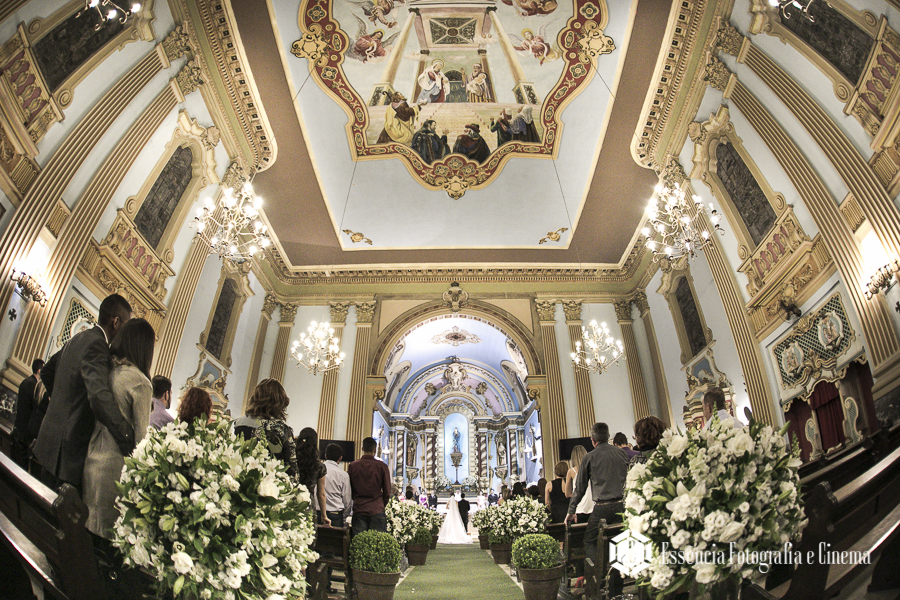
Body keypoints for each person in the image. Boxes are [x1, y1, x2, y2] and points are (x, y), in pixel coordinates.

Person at [34, 294, 134, 490]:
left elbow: (47, 371)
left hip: (48, 440)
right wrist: (127, 436)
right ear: (116, 322)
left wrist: (64, 401)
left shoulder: (80, 337)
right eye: (126, 325)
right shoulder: (98, 345)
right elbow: (99, 396)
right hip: (66, 451)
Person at [82, 318, 155, 539]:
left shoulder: (112, 371)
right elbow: (141, 442)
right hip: (115, 468)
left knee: (86, 529)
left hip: (92, 457)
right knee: (105, 537)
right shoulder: (141, 382)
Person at [565, 422, 629, 598]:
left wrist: (571, 510)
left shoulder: (589, 457)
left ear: (592, 440)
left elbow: (580, 489)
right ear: (608, 437)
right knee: (620, 544)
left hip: (601, 508)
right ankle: (616, 588)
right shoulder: (621, 453)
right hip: (621, 506)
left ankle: (599, 575)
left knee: (589, 540)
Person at [233, 379, 298, 480]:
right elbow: (292, 473)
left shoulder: (238, 423)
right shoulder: (283, 430)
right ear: (280, 403)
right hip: (270, 485)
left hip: (238, 480)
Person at [348, 436, 392, 535]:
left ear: (362, 449)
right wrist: (381, 504)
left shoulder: (353, 466)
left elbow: (349, 489)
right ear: (375, 450)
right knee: (377, 542)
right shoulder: (382, 466)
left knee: (359, 541)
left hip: (359, 508)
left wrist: (356, 499)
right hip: (376, 508)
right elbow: (387, 492)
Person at [11, 358, 44, 466]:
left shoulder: (25, 381)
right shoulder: (34, 385)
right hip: (24, 432)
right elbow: (34, 408)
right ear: (39, 371)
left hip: (18, 426)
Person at [296, 427, 330, 526]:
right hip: (307, 503)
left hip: (291, 501)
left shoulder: (292, 462)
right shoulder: (319, 466)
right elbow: (321, 494)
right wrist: (324, 515)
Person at [323, 443, 352, 527]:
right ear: (340, 458)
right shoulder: (343, 475)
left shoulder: (317, 470)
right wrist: (343, 517)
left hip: (318, 512)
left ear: (325, 456)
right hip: (335, 514)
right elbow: (347, 500)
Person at [565, 445, 592, 523]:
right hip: (592, 505)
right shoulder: (591, 468)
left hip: (579, 507)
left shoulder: (571, 471)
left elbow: (567, 494)